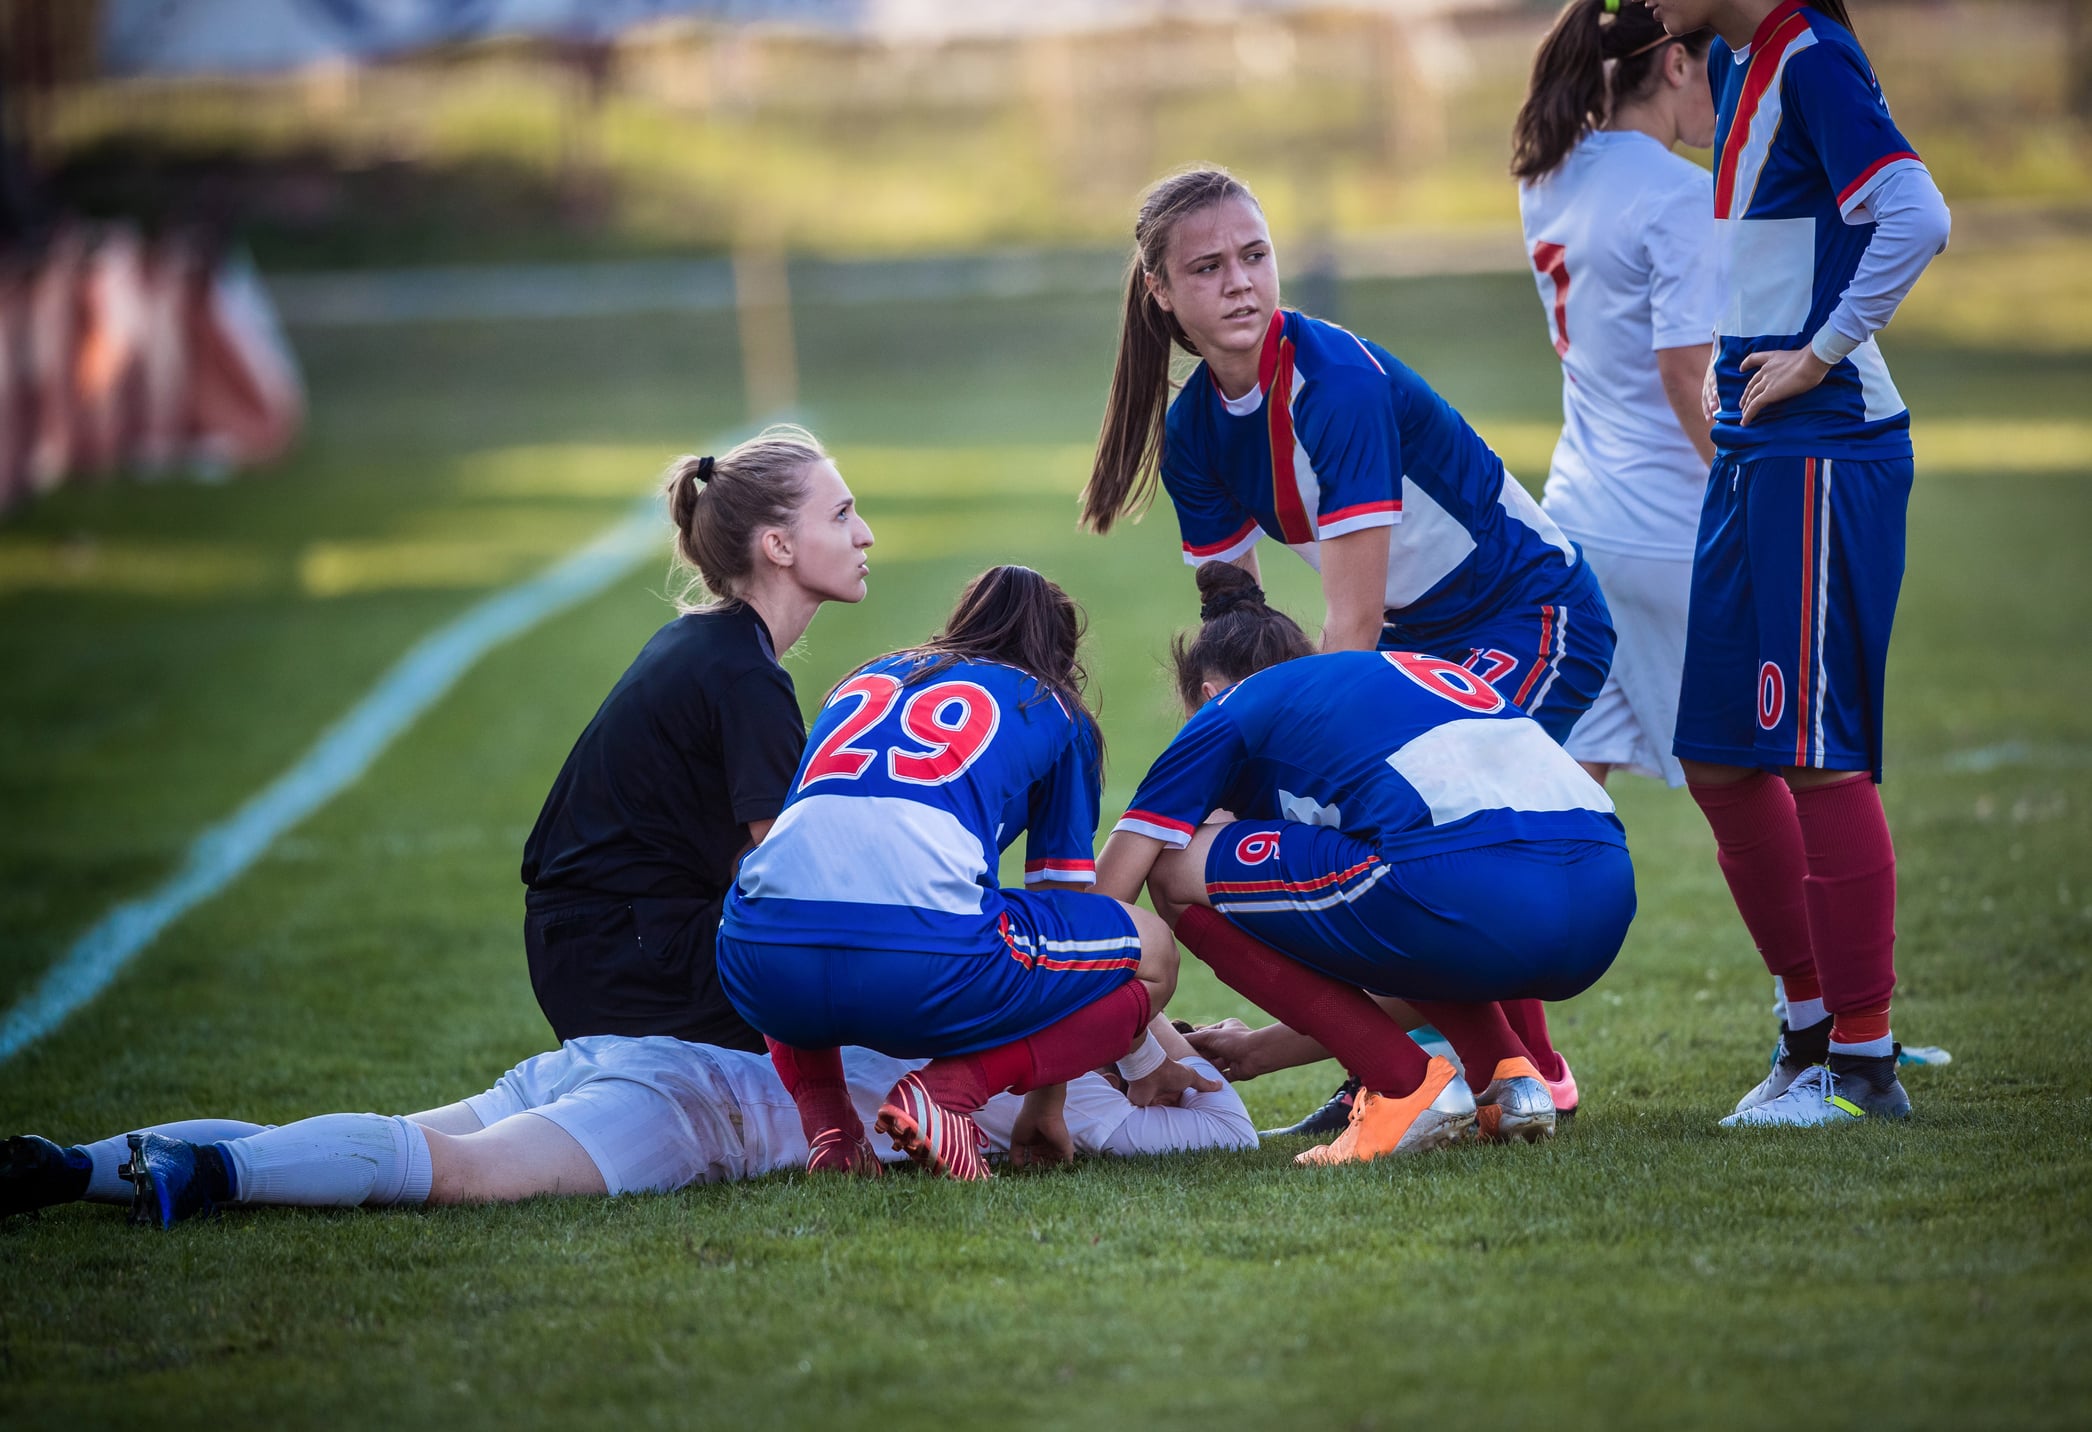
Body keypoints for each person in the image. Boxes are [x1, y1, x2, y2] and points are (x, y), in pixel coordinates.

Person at [1081, 165, 1611, 1133]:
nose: (1240, 282)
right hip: (1419, 642)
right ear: (1159, 292)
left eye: (1254, 256)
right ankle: (1438, 1070)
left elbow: (1352, 632)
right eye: (1207, 267)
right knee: (1333, 840)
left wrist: (1262, 794)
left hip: (1524, 617)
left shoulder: (1333, 386)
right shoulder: (1196, 425)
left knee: (1416, 838)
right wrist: (1234, 778)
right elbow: (1234, 626)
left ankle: (1521, 1067)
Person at [1645, 0, 1951, 1126]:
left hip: (1824, 449)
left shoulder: (1814, 57)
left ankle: (1863, 1067)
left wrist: (1822, 353)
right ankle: (1808, 1037)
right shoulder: (1734, 60)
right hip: (1756, 453)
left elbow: (1915, 215)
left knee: (1817, 757)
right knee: (1721, 757)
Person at [1095, 564, 1637, 1166]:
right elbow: (1414, 963)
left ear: (1206, 693)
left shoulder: (1231, 709)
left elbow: (1108, 901)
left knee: (1175, 868)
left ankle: (1403, 1088)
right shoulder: (1394, 679)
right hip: (1605, 891)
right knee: (1387, 896)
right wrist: (1257, 1051)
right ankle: (1508, 1077)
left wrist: (1128, 1052)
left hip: (1467, 890)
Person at [716, 566, 1201, 1182]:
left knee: (799, 903)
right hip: (921, 969)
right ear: (1061, 653)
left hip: (758, 965)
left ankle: (832, 1133)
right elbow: (1062, 898)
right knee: (1153, 951)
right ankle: (947, 1095)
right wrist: (1046, 1104)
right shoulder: (1051, 705)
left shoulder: (863, 679)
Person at [0, 1017, 1253, 1228]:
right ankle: (209, 1170)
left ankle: (84, 1165)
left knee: (377, 1127)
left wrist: (1149, 1038)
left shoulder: (992, 987)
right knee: (453, 1175)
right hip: (678, 1104)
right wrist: (1172, 1056)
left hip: (626, 1054)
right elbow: (1231, 1135)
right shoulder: (1109, 1096)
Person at [520, 425, 873, 1054]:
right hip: (624, 955)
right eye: (842, 515)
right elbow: (794, 873)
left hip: (596, 942)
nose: (864, 533)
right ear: (778, 546)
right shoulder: (744, 674)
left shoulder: (712, 644)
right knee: (883, 1009)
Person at [1513, 0, 1719, 789]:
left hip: (1577, 519)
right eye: (1714, 66)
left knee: (1567, 788)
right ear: (1674, 64)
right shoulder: (1678, 193)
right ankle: (1832, 921)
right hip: (1669, 527)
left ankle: (1530, 916)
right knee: (1759, 782)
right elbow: (1683, 372)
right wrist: (1747, 486)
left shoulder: (1547, 173)